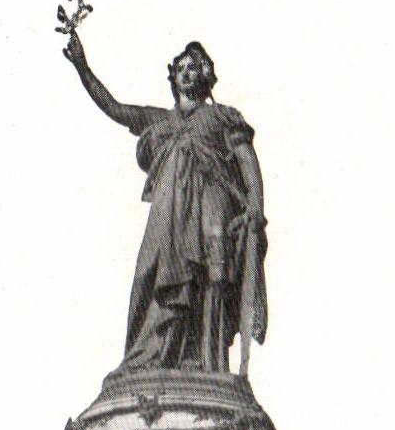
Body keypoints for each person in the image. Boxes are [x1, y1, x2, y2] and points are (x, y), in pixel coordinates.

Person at [64, 31, 267, 377]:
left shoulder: (222, 118)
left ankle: (209, 363)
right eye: (182, 68)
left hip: (211, 204)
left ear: (205, 75)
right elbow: (115, 108)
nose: (188, 73)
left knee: (211, 278)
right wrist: (82, 66)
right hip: (167, 216)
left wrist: (255, 208)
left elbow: (247, 161)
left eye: (194, 67)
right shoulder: (160, 120)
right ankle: (153, 355)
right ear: (173, 77)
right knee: (150, 272)